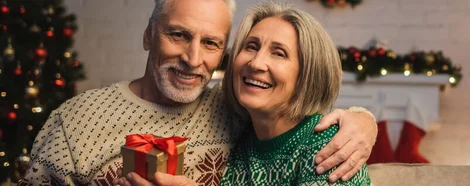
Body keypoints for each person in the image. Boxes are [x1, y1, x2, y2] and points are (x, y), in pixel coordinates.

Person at [19, 0, 377, 185]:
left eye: (210, 43)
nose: (192, 59)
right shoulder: (76, 121)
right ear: (149, 35)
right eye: (178, 35)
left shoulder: (232, 107)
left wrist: (362, 120)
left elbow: (294, 119)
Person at [218, 2, 370, 185]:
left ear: (307, 75)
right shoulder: (237, 139)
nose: (256, 63)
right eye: (252, 46)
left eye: (279, 53)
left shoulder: (329, 146)